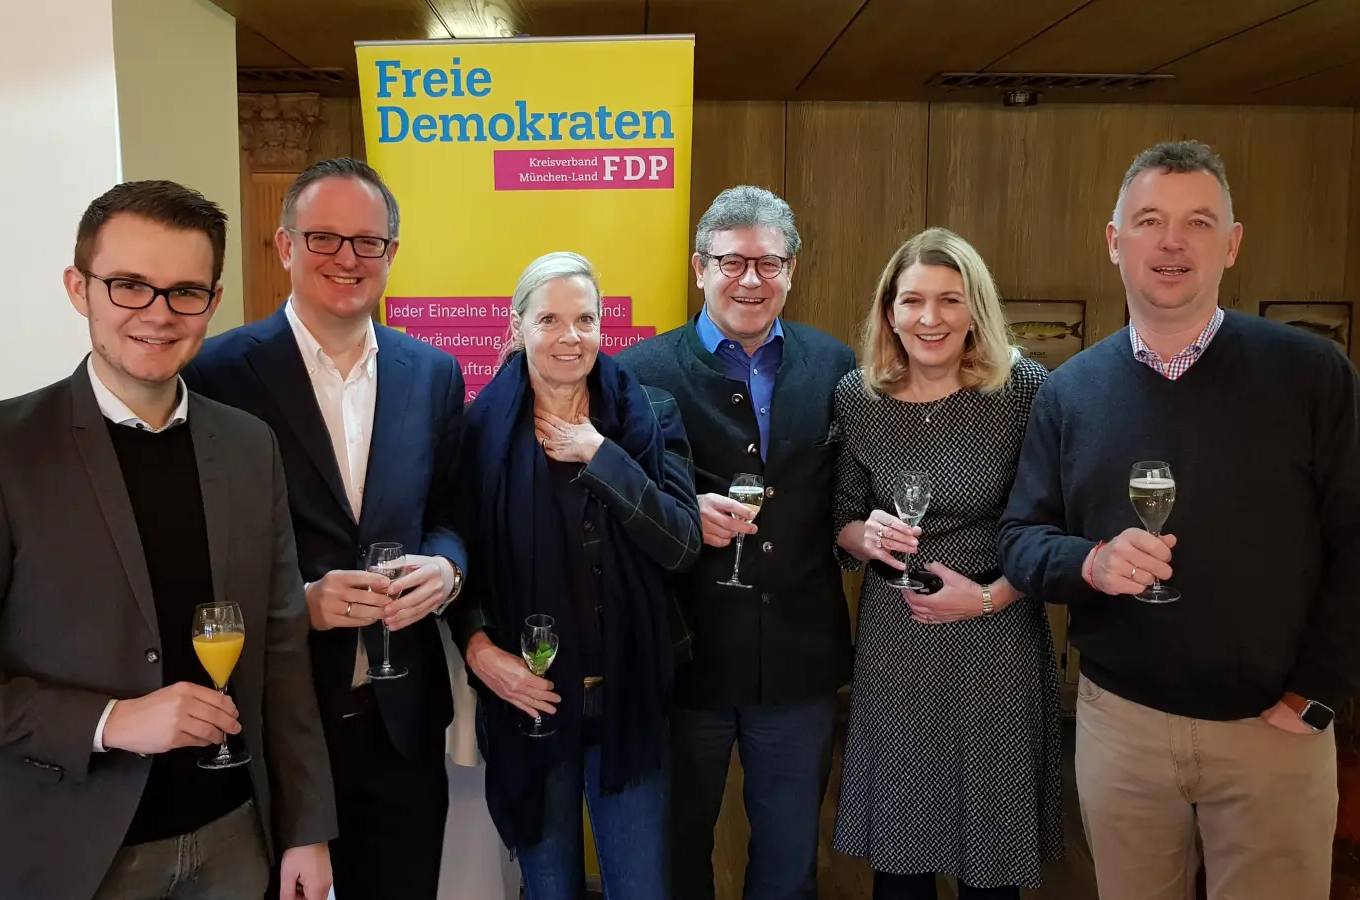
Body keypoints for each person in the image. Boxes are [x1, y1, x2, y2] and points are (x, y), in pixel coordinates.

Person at [0, 180, 336, 900]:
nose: (158, 314)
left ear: (212, 303)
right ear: (78, 288)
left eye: (184, 291)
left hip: (235, 841)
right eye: (128, 286)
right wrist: (110, 721)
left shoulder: (249, 446)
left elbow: (280, 649)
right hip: (62, 855)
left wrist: (306, 824)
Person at [997, 140, 1360, 900]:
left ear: (1232, 243)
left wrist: (1314, 697)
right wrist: (1087, 563)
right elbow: (1021, 542)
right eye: (1150, 220)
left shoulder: (1311, 375)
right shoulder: (1069, 393)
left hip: (1271, 731)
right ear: (1114, 241)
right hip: (1119, 726)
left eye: (1197, 221)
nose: (1171, 241)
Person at [183, 157, 466, 899]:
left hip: (402, 718)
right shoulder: (216, 373)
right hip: (280, 717)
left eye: (367, 242)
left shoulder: (432, 373)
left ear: (392, 255)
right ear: (283, 246)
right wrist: (300, 601)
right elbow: (197, 549)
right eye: (323, 238)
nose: (347, 258)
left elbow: (452, 514)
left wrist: (447, 569)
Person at [616, 185, 858, 900]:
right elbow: (615, 508)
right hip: (683, 659)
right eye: (731, 262)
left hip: (797, 662)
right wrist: (682, 509)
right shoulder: (638, 374)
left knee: (789, 861)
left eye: (769, 263)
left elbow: (847, 492)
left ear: (791, 270)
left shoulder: (835, 364)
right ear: (699, 268)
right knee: (675, 850)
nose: (750, 280)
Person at [447, 251, 701, 898]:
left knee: (640, 886)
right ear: (517, 328)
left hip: (628, 698)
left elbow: (681, 544)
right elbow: (457, 559)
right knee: (549, 887)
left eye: (585, 318)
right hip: (531, 705)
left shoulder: (649, 412)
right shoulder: (478, 432)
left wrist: (602, 456)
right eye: (550, 319)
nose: (570, 337)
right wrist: (480, 650)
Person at [831, 227, 1061, 900]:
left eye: (949, 300)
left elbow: (1056, 527)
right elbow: (839, 515)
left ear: (975, 309)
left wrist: (991, 597)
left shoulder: (1024, 391)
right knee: (900, 856)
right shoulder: (857, 395)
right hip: (896, 643)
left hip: (995, 635)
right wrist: (863, 536)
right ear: (889, 312)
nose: (929, 319)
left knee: (989, 852)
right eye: (912, 301)